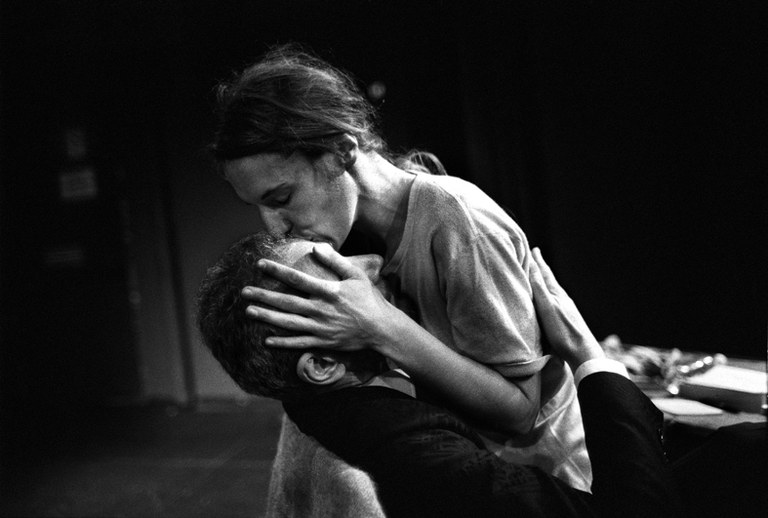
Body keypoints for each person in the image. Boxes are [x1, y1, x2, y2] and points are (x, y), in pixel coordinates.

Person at [210, 44, 591, 490]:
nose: (275, 226)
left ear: (341, 151)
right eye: (258, 206)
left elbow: (520, 411)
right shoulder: (348, 236)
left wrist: (383, 327)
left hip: (552, 483)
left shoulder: (457, 221)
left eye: (282, 198)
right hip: (465, 468)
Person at [196, 232, 682, 518]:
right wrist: (587, 355)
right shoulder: (424, 461)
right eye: (340, 277)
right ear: (322, 366)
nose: (373, 262)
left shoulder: (312, 410)